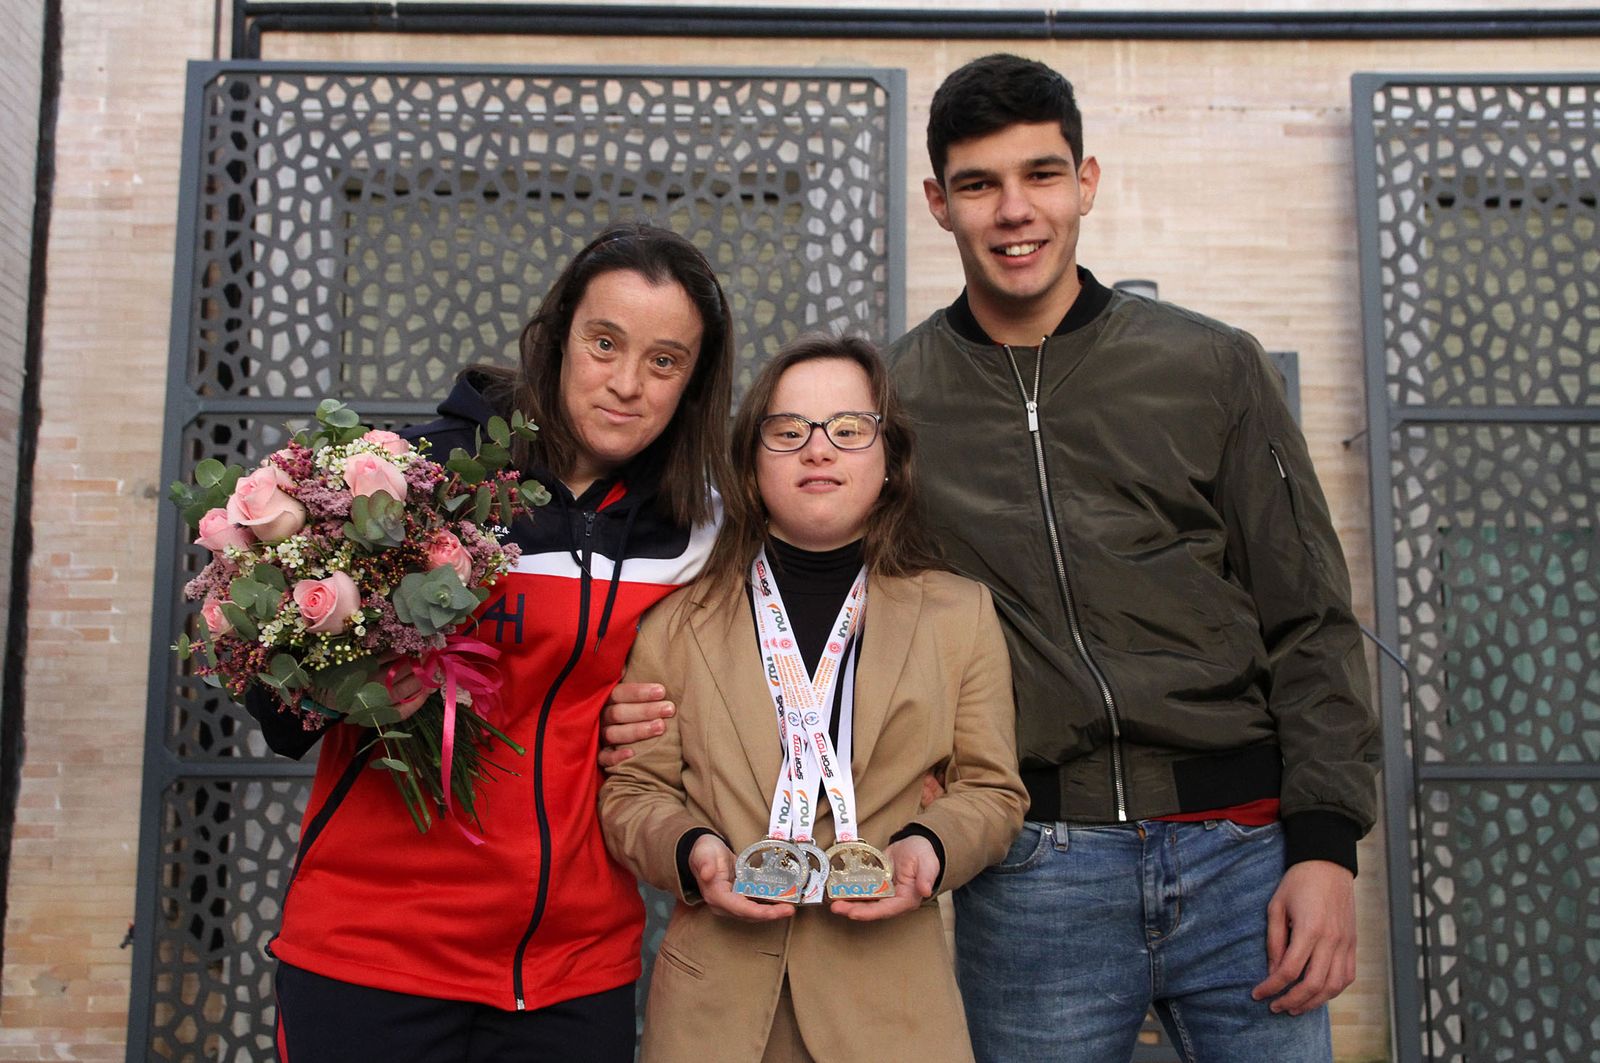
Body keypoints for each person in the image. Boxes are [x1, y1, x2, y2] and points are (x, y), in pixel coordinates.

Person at [603, 55, 1380, 1063]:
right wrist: (628, 690)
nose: (1014, 210)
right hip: (1035, 870)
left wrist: (1325, 846)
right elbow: (795, 577)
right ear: (940, 203)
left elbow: (1311, 616)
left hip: (1242, 850)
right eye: (978, 184)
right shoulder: (892, 402)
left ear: (1085, 182)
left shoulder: (1212, 367)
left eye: (1041, 174)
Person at [248, 223, 735, 1063]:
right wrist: (349, 684)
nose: (627, 383)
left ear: (693, 381)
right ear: (556, 338)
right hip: (375, 953)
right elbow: (275, 708)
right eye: (604, 343)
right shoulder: (414, 479)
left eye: (664, 361)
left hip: (572, 970)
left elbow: (754, 682)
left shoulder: (696, 529)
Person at [597, 335, 1027, 1063]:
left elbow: (993, 790)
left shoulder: (959, 614)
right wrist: (692, 850)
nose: (818, 449)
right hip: (713, 1014)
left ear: (889, 459)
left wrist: (929, 846)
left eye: (849, 429)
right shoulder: (676, 620)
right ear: (750, 461)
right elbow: (632, 790)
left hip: (893, 1009)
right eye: (788, 430)